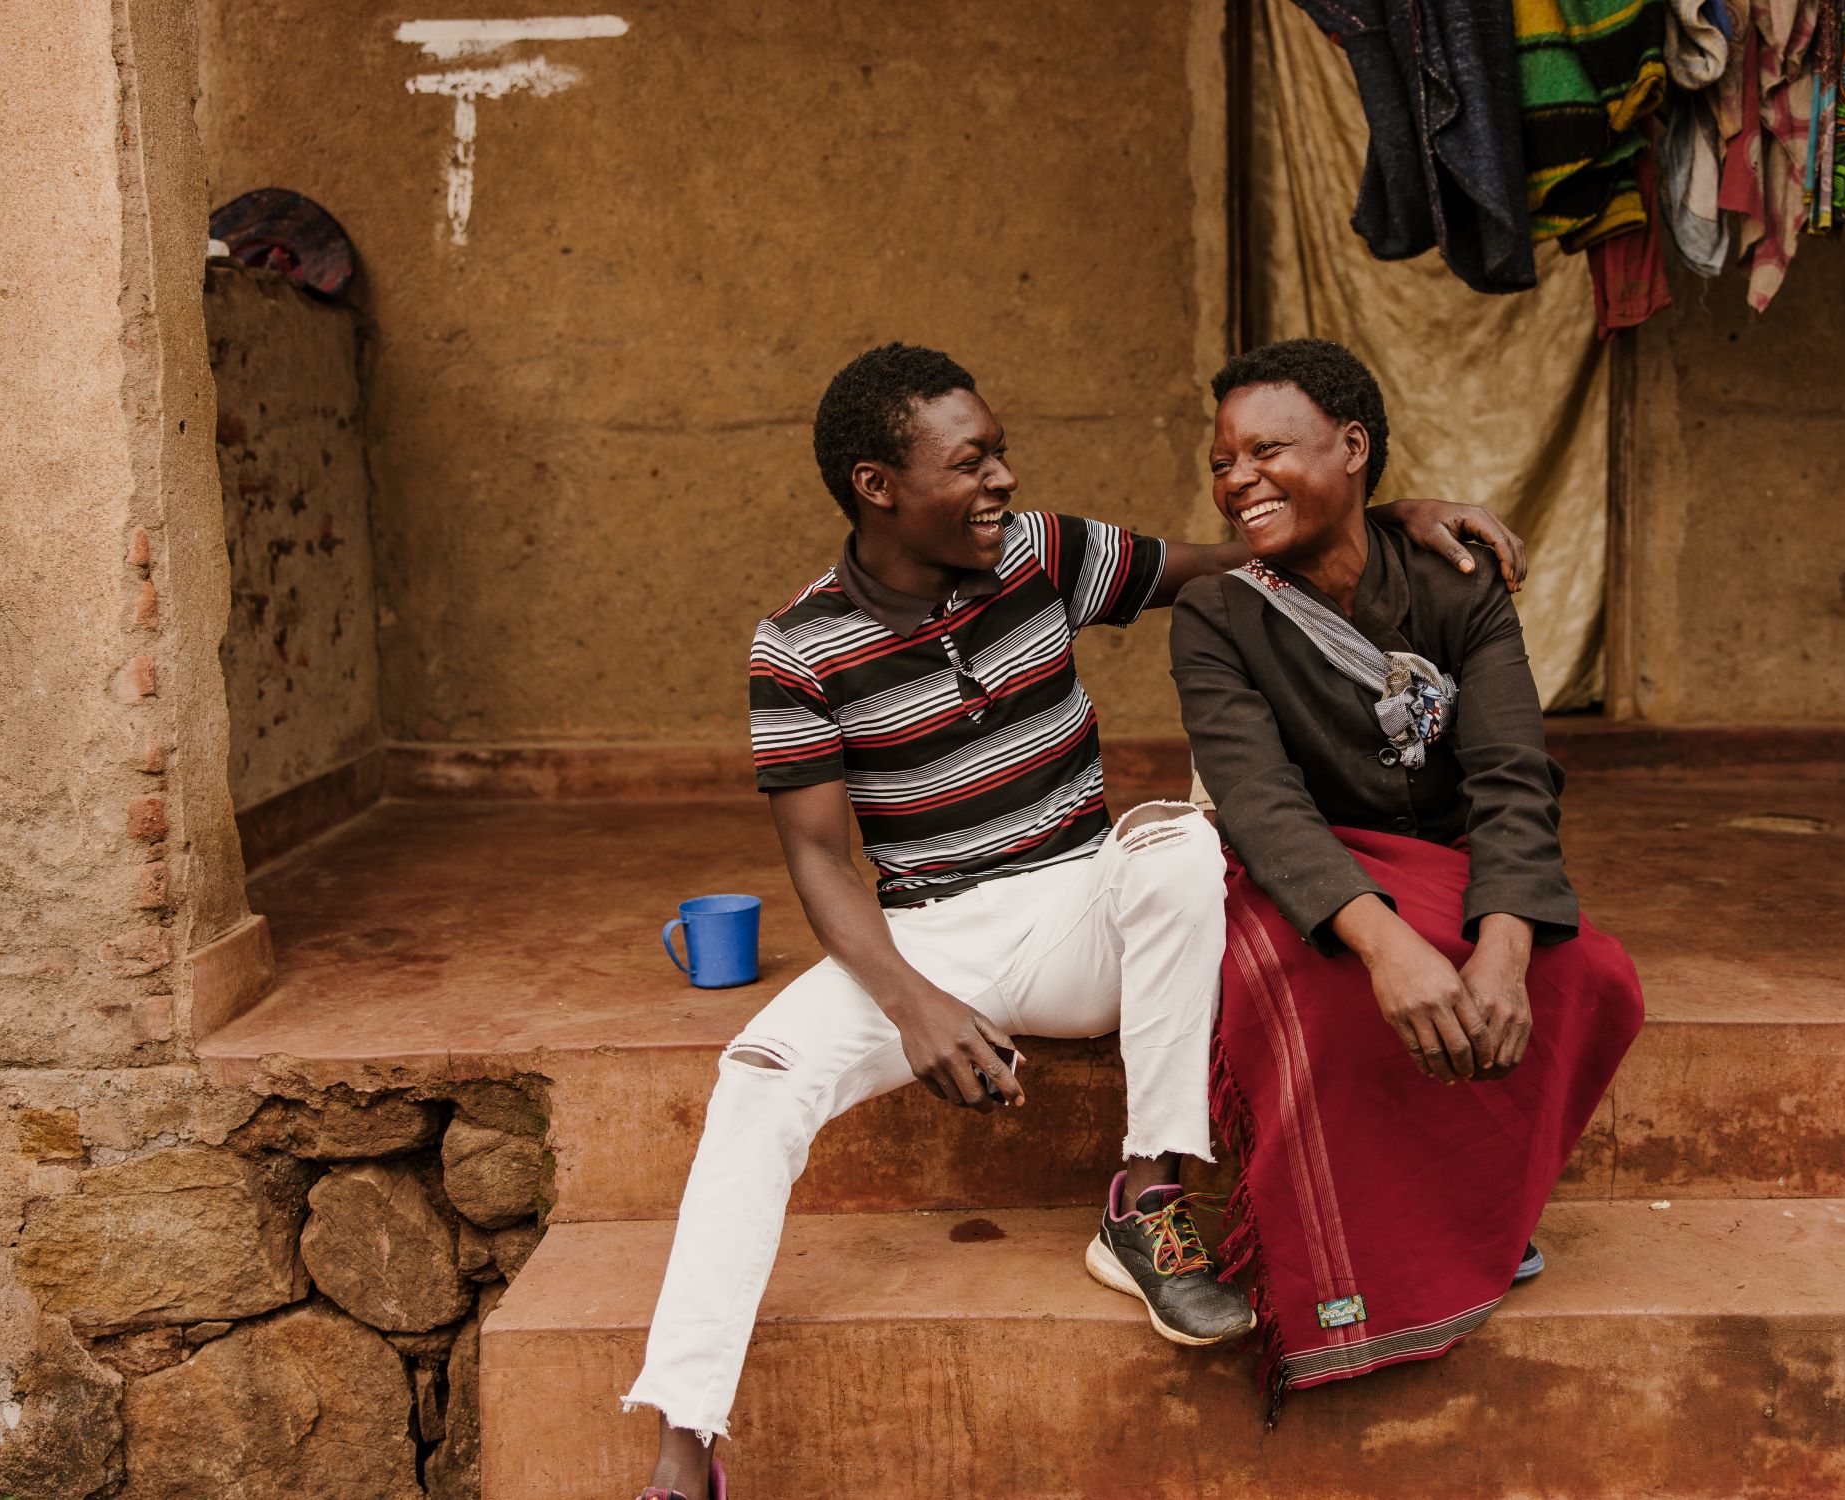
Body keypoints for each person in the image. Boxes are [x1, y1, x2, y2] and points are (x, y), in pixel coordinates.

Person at [628, 341, 1528, 1499]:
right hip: (921, 938)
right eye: (971, 462)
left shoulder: (1041, 553)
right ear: (878, 485)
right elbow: (816, 860)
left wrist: (1383, 506)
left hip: (1081, 906)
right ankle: (683, 1445)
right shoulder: (796, 645)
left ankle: (1145, 1201)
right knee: (753, 1078)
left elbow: (1238, 559)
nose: (1002, 480)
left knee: (1177, 843)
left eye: (1000, 453)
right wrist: (914, 1008)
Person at [1168, 338, 1644, 1412]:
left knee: (1592, 976)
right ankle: (1363, 1274)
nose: (1234, 477)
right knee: (1332, 999)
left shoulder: (1453, 581)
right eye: (1220, 460)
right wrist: (1383, 946)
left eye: (1264, 449)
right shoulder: (1217, 614)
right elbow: (1261, 802)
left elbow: (1513, 777)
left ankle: (1477, 1210)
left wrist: (1509, 952)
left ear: (1351, 447)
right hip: (1306, 869)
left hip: (1441, 857)